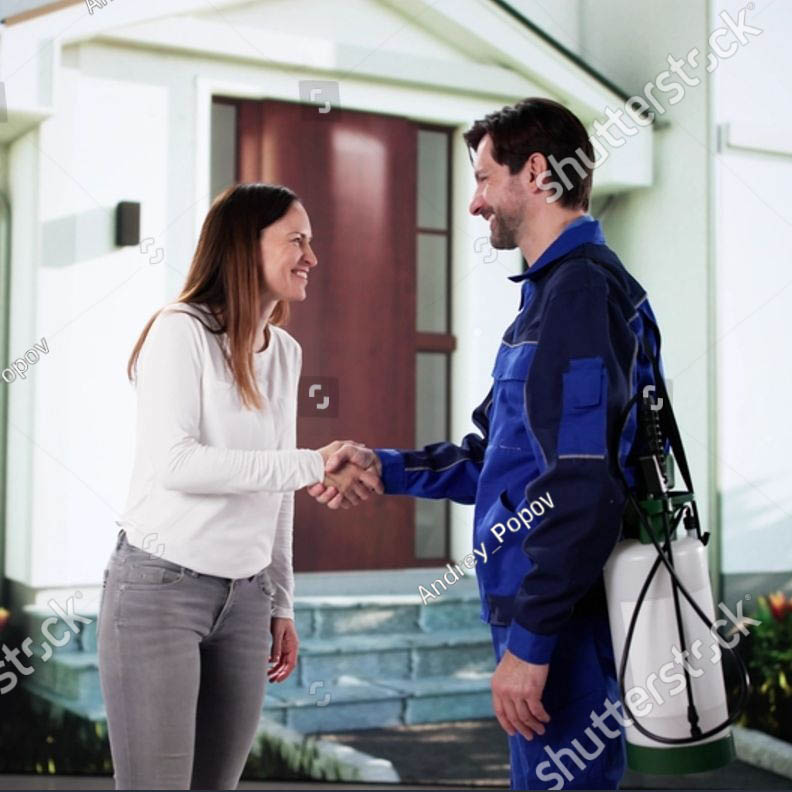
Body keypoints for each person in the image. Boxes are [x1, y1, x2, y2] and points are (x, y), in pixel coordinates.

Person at [309, 98, 667, 790]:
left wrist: (532, 646)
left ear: (535, 173)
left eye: (482, 179)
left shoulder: (581, 297)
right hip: (540, 618)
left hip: (563, 627)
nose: (474, 204)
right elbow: (494, 456)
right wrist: (382, 467)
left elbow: (582, 488)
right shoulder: (548, 296)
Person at [97, 183, 379, 790]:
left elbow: (272, 490)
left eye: (311, 242)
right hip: (159, 591)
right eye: (296, 241)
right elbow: (179, 465)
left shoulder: (284, 352)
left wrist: (280, 600)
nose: (312, 256)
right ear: (245, 249)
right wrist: (311, 463)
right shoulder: (180, 332)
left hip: (247, 601)